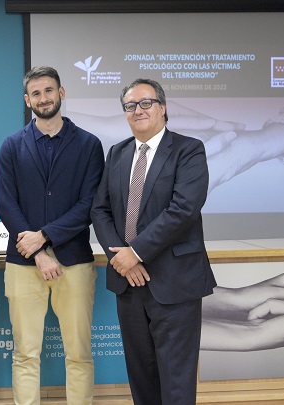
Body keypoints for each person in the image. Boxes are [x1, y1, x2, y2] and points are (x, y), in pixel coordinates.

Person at [90, 78, 217, 405]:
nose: (138, 110)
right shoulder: (117, 153)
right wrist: (120, 258)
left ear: (162, 108)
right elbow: (100, 209)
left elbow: (183, 209)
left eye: (146, 103)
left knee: (176, 380)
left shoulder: (189, 150)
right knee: (141, 375)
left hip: (175, 282)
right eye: (130, 106)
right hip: (128, 283)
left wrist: (136, 252)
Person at [0, 66, 104, 405]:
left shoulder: (88, 144)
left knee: (79, 354)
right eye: (36, 93)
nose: (43, 98)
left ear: (61, 93)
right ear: (27, 100)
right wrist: (38, 253)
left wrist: (43, 236)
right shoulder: (12, 146)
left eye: (49, 90)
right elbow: (6, 203)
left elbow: (89, 204)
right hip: (24, 263)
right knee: (25, 354)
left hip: (74, 260)